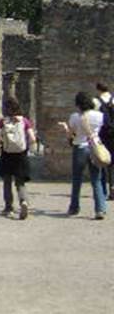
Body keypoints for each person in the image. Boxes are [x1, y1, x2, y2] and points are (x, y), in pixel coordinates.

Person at [58, 91, 107, 220]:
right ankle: (100, 209)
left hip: (79, 147)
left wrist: (65, 128)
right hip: (94, 148)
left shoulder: (75, 116)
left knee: (76, 179)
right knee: (96, 179)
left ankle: (74, 208)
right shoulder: (99, 116)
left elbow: (71, 135)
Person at [0, 97, 35, 220]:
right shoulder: (24, 121)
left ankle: (9, 208)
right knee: (20, 181)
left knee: (7, 181)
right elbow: (32, 138)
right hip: (21, 154)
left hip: (7, 154)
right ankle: (23, 201)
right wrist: (27, 146)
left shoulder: (3, 122)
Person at [95, 82, 114, 200]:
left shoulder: (97, 101)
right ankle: (113, 186)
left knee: (102, 160)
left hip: (102, 133)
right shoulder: (113, 99)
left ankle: (103, 189)